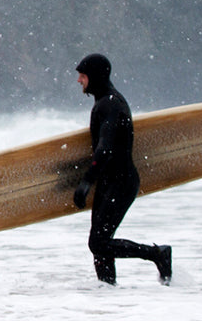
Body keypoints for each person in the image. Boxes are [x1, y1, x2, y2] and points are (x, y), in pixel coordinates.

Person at [72, 53, 172, 286]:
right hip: (110, 182)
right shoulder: (105, 102)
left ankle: (157, 254)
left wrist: (86, 182)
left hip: (121, 182)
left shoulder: (110, 104)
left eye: (82, 75)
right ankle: (107, 292)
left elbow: (105, 149)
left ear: (94, 76)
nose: (79, 81)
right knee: (100, 245)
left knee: (98, 243)